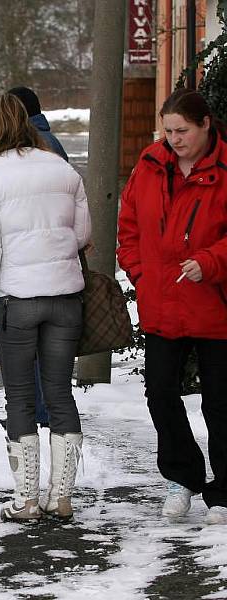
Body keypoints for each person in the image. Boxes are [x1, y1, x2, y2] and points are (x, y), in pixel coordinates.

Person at [0, 94, 91, 522]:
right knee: (59, 394)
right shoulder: (62, 168)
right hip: (66, 299)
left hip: (16, 300)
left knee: (20, 398)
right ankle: (62, 498)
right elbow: (81, 234)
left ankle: (26, 502)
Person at [116, 88, 227, 525]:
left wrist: (210, 262)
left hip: (216, 305)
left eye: (182, 130)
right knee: (160, 392)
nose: (174, 139)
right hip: (162, 302)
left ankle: (225, 489)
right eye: (168, 131)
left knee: (220, 401)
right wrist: (143, 276)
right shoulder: (149, 164)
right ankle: (182, 477)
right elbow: (129, 228)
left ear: (205, 125)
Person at [9, 85, 70, 429]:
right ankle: (41, 412)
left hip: (40, 263)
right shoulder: (48, 140)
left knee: (35, 348)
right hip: (52, 260)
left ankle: (40, 415)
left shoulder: (37, 144)